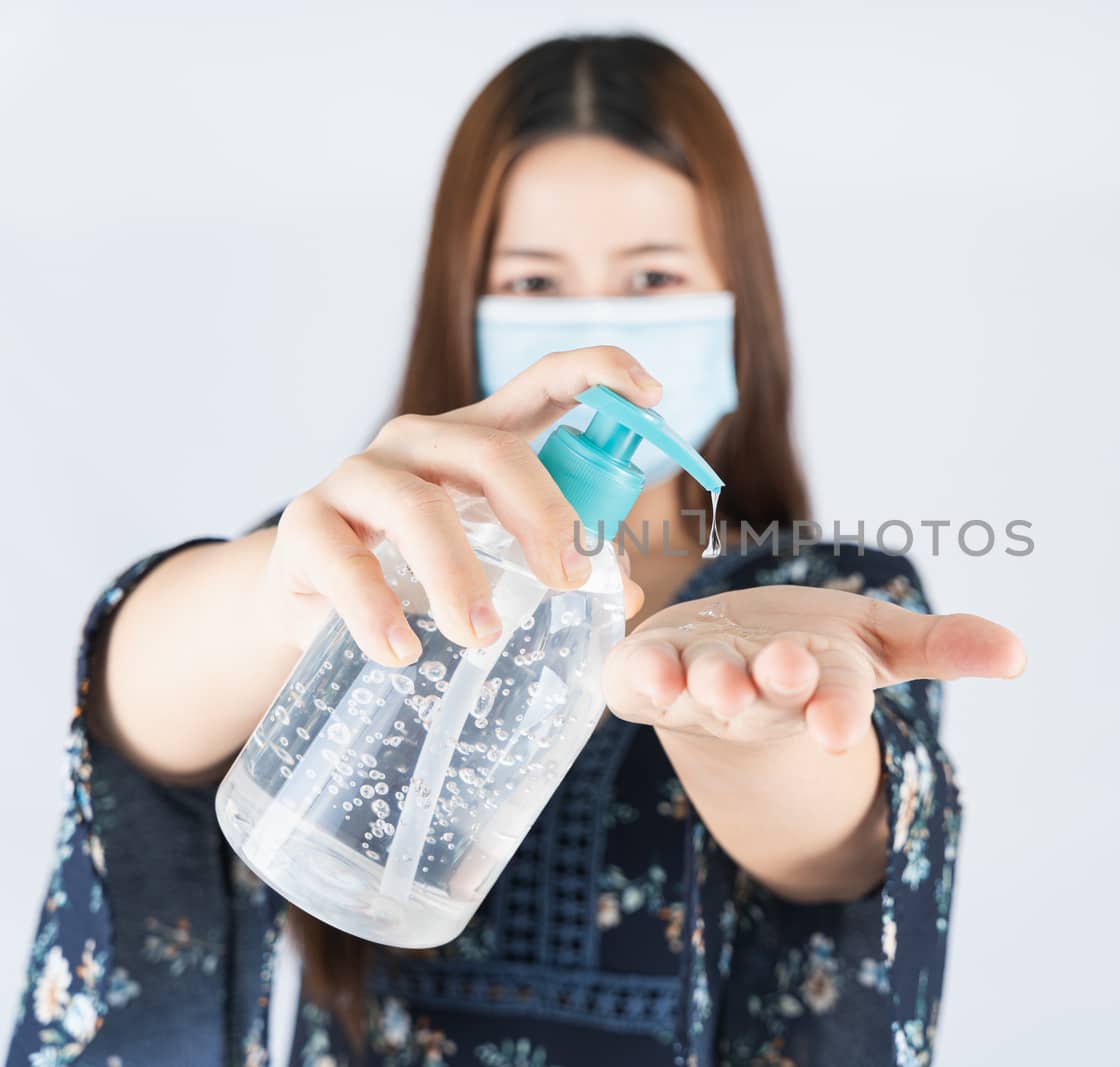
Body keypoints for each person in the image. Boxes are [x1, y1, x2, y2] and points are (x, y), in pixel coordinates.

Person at [6, 34, 1024, 1067]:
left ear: (739, 303)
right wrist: (284, 596)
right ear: (466, 296)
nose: (601, 330)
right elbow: (136, 703)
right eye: (536, 282)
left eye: (654, 275)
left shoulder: (822, 596)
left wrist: (751, 724)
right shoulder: (370, 543)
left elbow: (838, 850)